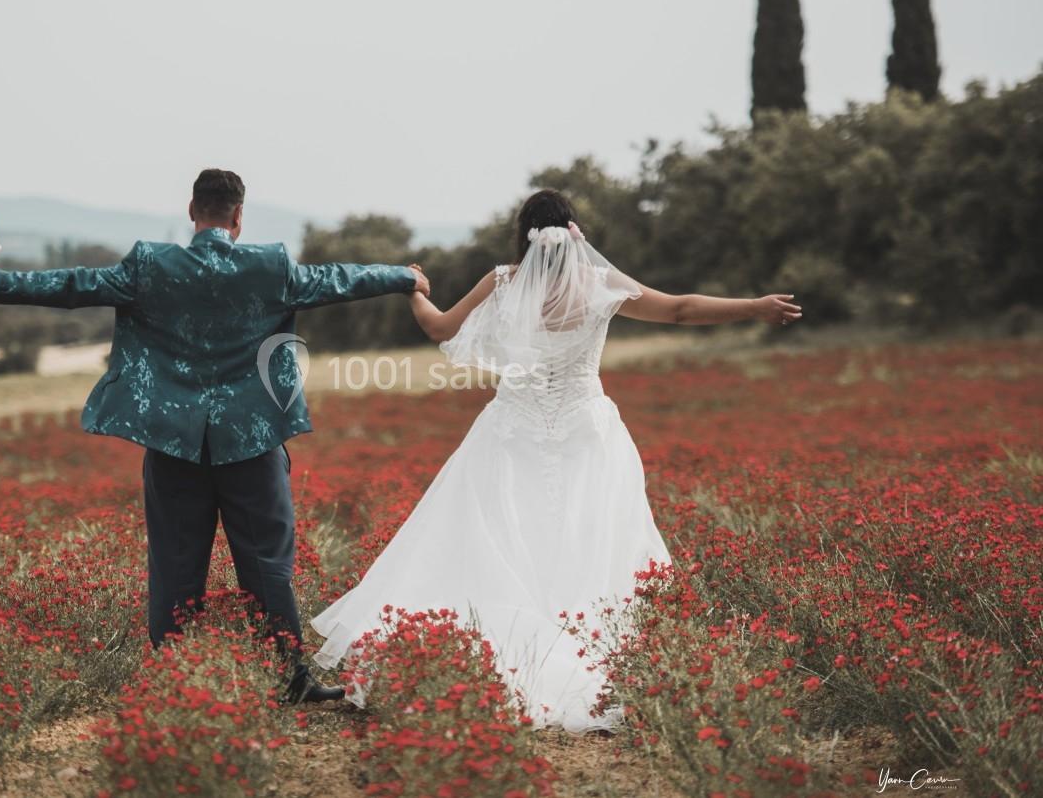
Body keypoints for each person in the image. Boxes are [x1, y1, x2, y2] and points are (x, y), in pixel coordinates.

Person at [310, 188, 801, 731]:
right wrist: (754, 306)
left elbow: (439, 329)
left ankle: (496, 657)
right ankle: (593, 658)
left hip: (510, 431)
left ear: (522, 236)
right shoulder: (601, 284)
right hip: (587, 433)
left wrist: (412, 288)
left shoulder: (502, 282)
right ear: (576, 233)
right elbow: (681, 309)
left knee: (498, 537)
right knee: (591, 538)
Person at [0, 168, 430, 704]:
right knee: (267, 566)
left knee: (176, 564)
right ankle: (291, 679)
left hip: (173, 445)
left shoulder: (149, 265)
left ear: (192, 212)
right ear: (238, 216)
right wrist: (404, 276)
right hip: (252, 442)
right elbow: (341, 279)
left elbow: (76, 285)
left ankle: (174, 684)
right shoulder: (271, 266)